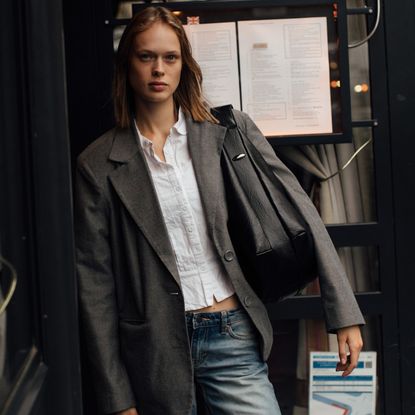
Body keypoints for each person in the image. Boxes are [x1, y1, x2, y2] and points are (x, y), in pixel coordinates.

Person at [74, 6, 364, 415]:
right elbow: (95, 288)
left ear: (183, 66)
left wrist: (343, 314)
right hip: (154, 350)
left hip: (230, 332)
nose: (158, 68)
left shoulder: (228, 132)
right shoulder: (98, 164)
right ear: (127, 66)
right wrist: (117, 398)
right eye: (146, 57)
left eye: (169, 57)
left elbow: (305, 215)